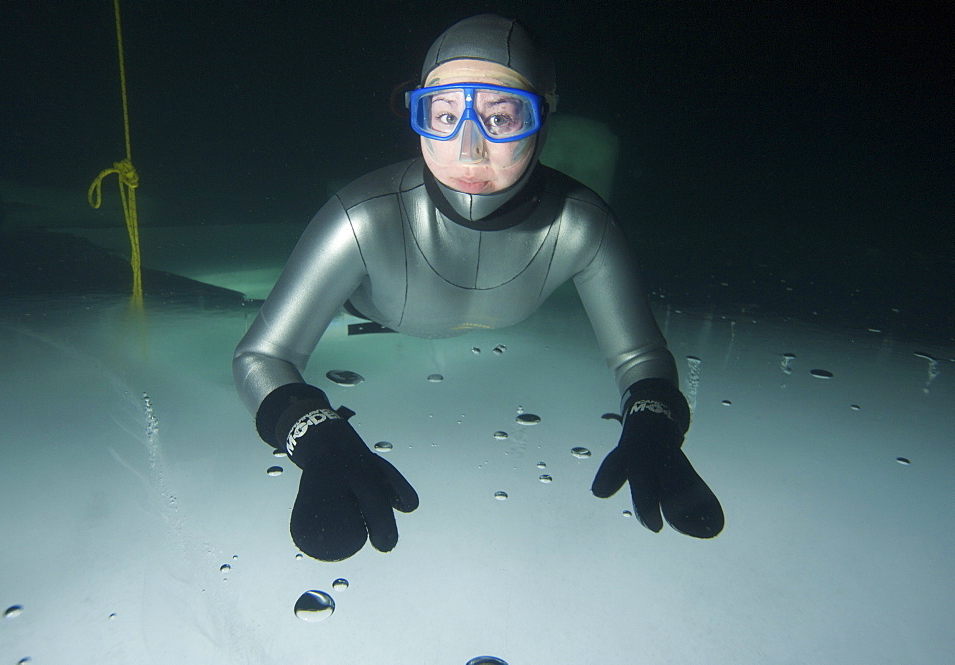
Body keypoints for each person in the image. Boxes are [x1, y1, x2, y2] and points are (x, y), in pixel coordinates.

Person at [233, 14, 723, 562]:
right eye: (442, 115)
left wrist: (653, 422)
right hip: (365, 309)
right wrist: (317, 439)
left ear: (543, 116)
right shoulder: (361, 218)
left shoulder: (583, 225)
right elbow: (261, 353)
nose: (467, 149)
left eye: (502, 117)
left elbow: (639, 356)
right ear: (416, 115)